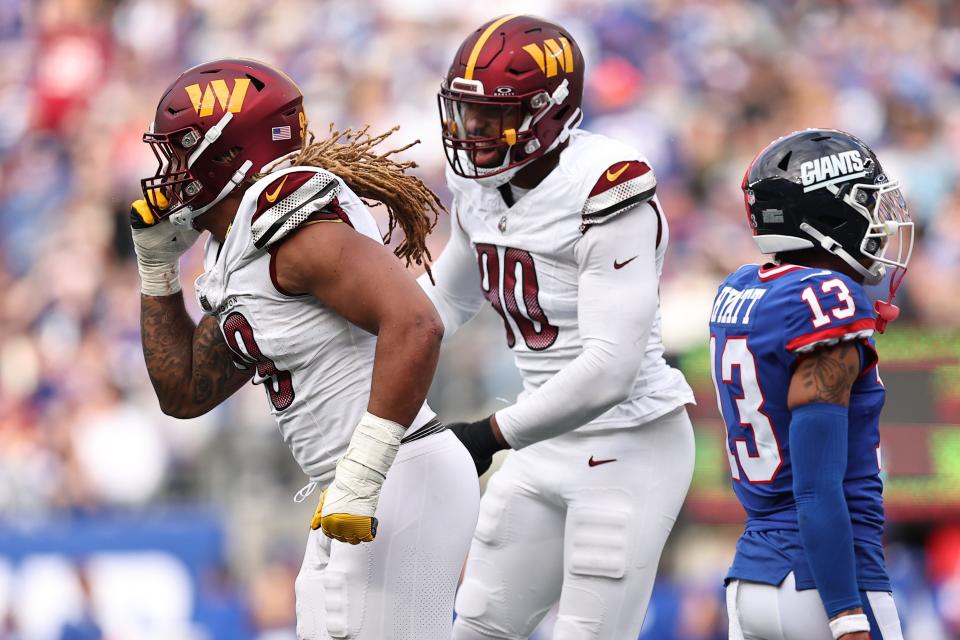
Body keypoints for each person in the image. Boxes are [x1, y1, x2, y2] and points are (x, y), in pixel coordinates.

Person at [131, 58, 478, 640]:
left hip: (394, 474)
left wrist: (363, 475)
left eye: (180, 154)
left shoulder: (291, 228)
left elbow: (417, 324)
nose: (169, 175)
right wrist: (157, 270)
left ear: (226, 153)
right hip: (356, 482)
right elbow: (184, 392)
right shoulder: (240, 247)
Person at [420, 15, 697, 640]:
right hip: (540, 438)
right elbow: (443, 302)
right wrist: (359, 338)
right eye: (467, 114)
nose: (474, 133)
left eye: (494, 116)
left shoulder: (606, 186)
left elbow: (609, 368)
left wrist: (489, 434)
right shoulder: (479, 187)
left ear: (549, 112)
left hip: (629, 440)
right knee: (479, 627)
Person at [710, 128, 913, 640]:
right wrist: (846, 616)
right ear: (826, 215)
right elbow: (816, 486)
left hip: (751, 579)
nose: (878, 222)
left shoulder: (741, 288)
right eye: (865, 203)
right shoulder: (828, 297)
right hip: (827, 582)